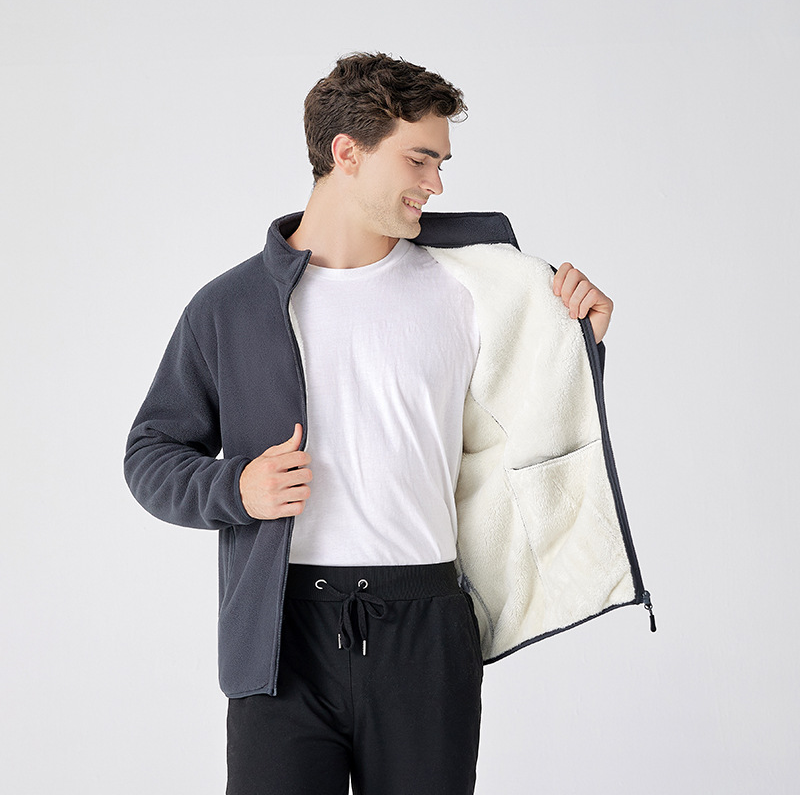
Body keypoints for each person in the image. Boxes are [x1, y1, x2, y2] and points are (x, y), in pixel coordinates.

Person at [125, 51, 652, 795]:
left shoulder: (476, 289)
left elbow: (530, 439)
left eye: (440, 162)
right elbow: (149, 452)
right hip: (280, 639)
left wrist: (579, 349)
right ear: (347, 152)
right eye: (419, 158)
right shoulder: (230, 306)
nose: (436, 183)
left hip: (426, 629)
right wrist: (236, 489)